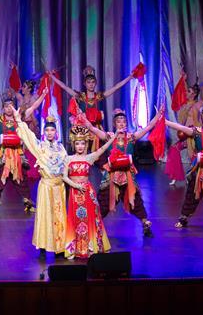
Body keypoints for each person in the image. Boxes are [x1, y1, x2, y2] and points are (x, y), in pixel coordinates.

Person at [81, 105, 165, 237]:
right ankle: (93, 225)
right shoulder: (109, 137)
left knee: (135, 200)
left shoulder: (131, 137)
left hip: (127, 176)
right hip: (111, 177)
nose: (121, 124)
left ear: (126, 124)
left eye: (124, 121)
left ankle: (145, 223)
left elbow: (149, 127)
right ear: (114, 124)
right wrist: (81, 115)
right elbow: (92, 128)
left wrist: (159, 114)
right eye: (118, 121)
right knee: (103, 201)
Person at [0, 84, 47, 213]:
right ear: (3, 108)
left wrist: (44, 95)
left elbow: (34, 107)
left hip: (17, 153)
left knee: (21, 179)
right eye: (6, 106)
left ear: (14, 107)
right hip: (3, 154)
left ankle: (28, 202)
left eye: (11, 105)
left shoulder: (20, 118)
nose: (9, 108)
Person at [14, 110, 68, 255]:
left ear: (56, 132)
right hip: (46, 186)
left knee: (60, 216)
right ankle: (44, 247)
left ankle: (60, 247)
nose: (50, 133)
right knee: (45, 216)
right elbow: (29, 137)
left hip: (59, 186)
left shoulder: (61, 148)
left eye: (52, 130)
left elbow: (66, 165)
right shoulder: (40, 146)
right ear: (44, 132)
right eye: (47, 130)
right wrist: (19, 120)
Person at [48, 65, 136, 150]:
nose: (91, 84)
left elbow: (116, 87)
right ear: (84, 84)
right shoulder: (81, 96)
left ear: (96, 83)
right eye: (88, 82)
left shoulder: (98, 96)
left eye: (93, 82)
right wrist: (52, 77)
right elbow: (65, 87)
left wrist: (130, 77)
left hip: (96, 129)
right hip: (83, 128)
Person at [63, 126, 116, 259]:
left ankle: (92, 247)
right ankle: (75, 248)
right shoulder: (68, 159)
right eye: (77, 143)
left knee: (91, 219)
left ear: (85, 144)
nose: (80, 146)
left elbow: (103, 149)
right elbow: (64, 177)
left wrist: (114, 137)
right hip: (75, 193)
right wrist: (75, 185)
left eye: (82, 143)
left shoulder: (89, 158)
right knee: (76, 220)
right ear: (73, 144)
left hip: (87, 192)